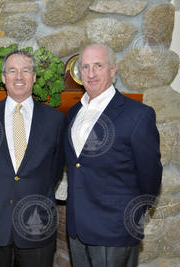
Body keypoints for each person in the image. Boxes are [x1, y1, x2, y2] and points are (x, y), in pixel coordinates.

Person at [64, 44, 162, 266]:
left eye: (98, 65)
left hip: (115, 229)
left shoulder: (137, 115)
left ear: (112, 69)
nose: (91, 73)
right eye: (85, 67)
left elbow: (151, 175)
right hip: (77, 228)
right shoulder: (73, 113)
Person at [0, 50, 65, 267]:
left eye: (25, 71)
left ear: (34, 77)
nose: (19, 77)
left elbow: (55, 169)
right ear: (4, 78)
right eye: (12, 71)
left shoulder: (56, 120)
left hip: (38, 225)